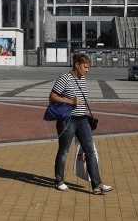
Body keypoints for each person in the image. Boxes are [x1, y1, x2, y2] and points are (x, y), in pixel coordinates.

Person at [50, 53, 112, 195]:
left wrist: (83, 111)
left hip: (82, 119)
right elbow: (52, 96)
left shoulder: (82, 79)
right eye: (85, 67)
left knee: (90, 151)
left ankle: (97, 185)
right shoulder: (64, 78)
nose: (87, 70)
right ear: (77, 65)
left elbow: (81, 99)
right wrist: (71, 102)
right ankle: (59, 180)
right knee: (64, 151)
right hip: (68, 119)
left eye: (88, 68)